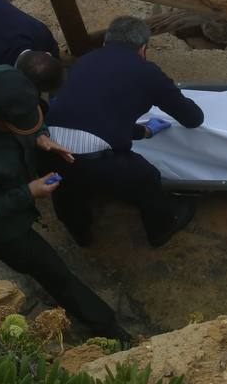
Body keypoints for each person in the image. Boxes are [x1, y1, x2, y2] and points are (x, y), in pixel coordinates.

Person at [0, 65, 130, 341]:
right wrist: (27, 192)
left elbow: (29, 122)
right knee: (53, 271)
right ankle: (107, 328)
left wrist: (41, 137)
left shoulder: (5, 78)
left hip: (11, 183)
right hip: (1, 226)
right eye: (18, 127)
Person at [45, 16, 204, 248]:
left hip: (49, 148)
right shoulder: (147, 72)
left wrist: (143, 132)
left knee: (66, 189)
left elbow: (95, 115)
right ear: (143, 48)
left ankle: (80, 233)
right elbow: (193, 118)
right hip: (95, 160)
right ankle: (162, 227)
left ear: (105, 43)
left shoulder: (83, 62)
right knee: (146, 177)